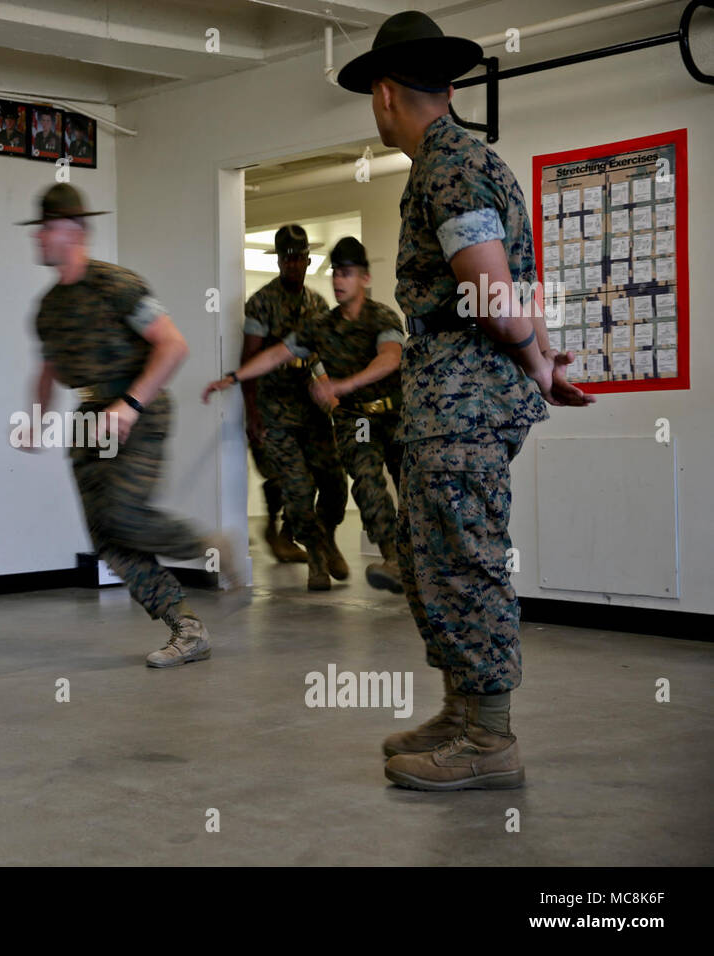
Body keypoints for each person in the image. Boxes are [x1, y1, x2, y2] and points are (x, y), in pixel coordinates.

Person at [337, 10, 594, 790]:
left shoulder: (447, 168)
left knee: (464, 561)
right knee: (434, 560)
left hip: (462, 404)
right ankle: (461, 712)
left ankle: (490, 738)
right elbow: (511, 286)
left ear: (385, 94)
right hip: (455, 400)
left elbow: (493, 297)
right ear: (444, 87)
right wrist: (540, 358)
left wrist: (533, 359)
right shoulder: (466, 162)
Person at [20, 184, 245, 669]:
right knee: (106, 537)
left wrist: (128, 405)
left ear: (73, 231)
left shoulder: (117, 285)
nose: (38, 237)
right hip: (89, 420)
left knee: (122, 515)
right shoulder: (49, 307)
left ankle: (207, 547)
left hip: (138, 411)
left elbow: (173, 345)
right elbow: (48, 369)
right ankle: (187, 628)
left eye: (46, 228)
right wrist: (36, 419)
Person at [206, 236, 405, 592]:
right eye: (336, 273)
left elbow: (390, 358)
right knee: (365, 482)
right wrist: (235, 377)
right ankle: (387, 558)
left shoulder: (382, 317)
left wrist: (341, 385)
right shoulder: (321, 325)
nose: (339, 280)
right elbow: (276, 354)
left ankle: (419, 561)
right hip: (354, 420)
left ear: (365, 277)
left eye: (347, 273)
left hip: (394, 416)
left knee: (413, 489)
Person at [239, 226, 348, 590]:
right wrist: (253, 415)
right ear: (279, 261)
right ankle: (316, 558)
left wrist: (334, 395)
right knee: (298, 490)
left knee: (334, 482)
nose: (293, 264)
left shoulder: (317, 304)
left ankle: (327, 537)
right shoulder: (261, 303)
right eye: (287, 258)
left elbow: (324, 356)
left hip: (312, 409)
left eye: (299, 257)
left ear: (307, 260)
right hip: (275, 411)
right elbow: (249, 362)